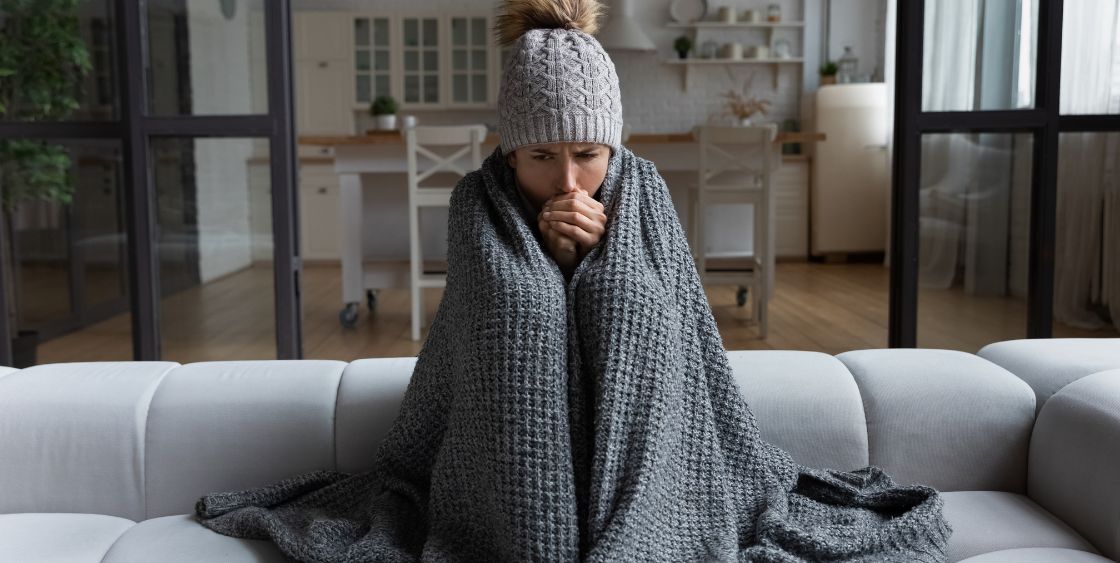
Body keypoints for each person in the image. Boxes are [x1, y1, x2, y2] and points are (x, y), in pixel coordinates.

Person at [195, 1, 951, 561]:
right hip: (499, 474)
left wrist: (594, 269)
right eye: (540, 157)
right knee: (522, 309)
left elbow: (671, 331)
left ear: (612, 145)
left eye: (588, 153)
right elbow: (493, 329)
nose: (568, 178)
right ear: (508, 154)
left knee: (626, 299)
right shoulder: (476, 203)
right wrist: (550, 266)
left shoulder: (643, 190)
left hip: (654, 450)